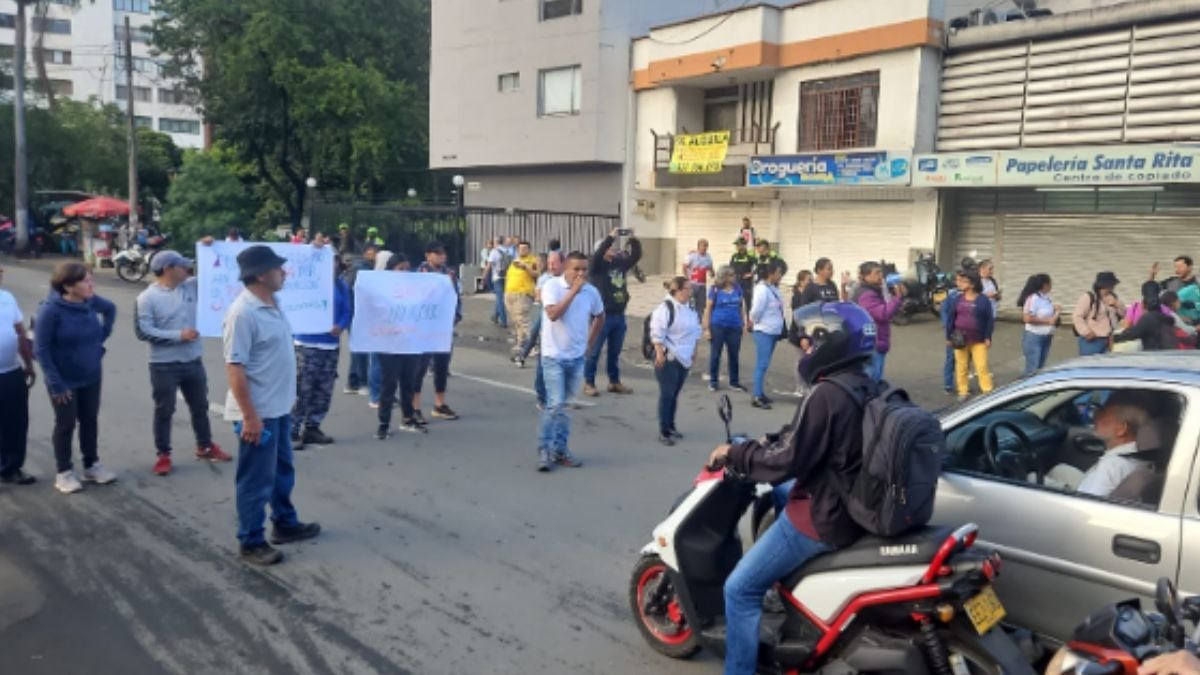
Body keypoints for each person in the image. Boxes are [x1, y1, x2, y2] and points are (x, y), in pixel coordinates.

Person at [706, 302, 877, 675]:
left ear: (826, 344)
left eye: (807, 344)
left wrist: (736, 453)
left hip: (823, 517)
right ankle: (786, 585)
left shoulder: (826, 394)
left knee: (739, 590)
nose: (804, 351)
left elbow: (784, 463)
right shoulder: (866, 383)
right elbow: (807, 438)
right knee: (779, 496)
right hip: (852, 502)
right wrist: (769, 438)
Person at [223, 245, 321, 566]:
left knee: (282, 471)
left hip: (277, 409)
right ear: (262, 274)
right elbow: (235, 368)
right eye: (279, 269)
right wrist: (250, 417)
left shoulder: (272, 303)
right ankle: (250, 541)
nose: (285, 272)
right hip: (258, 414)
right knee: (255, 479)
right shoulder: (243, 313)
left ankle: (285, 523)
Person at [137, 248, 232, 476]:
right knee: (165, 410)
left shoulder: (190, 287)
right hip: (163, 364)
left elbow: (217, 273)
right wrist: (179, 335)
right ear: (168, 269)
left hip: (192, 360)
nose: (187, 269)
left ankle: (205, 446)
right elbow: (144, 331)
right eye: (182, 266)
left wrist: (211, 247)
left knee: (200, 406)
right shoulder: (147, 298)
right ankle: (163, 454)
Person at [36, 262, 118, 494]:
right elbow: (41, 350)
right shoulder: (50, 310)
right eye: (86, 281)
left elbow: (110, 309)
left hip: (91, 374)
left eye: (91, 279)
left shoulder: (90, 301)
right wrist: (56, 382)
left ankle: (91, 465)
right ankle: (64, 472)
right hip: (63, 380)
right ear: (68, 286)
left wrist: (101, 338)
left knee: (89, 420)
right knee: (66, 424)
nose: (91, 284)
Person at [536, 251, 604, 472]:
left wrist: (589, 343)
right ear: (565, 267)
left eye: (584, 269)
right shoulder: (552, 287)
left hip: (576, 357)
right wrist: (573, 291)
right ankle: (544, 449)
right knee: (554, 404)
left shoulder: (591, 292)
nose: (581, 273)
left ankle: (560, 449)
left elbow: (600, 316)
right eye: (576, 269)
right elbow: (553, 314)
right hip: (553, 355)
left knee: (565, 407)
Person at [290, 261, 353, 448]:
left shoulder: (340, 284)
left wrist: (340, 326)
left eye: (333, 260)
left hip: (330, 344)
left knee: (324, 388)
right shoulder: (307, 282)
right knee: (303, 388)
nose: (331, 265)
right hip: (307, 343)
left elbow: (347, 310)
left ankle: (312, 427)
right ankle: (292, 430)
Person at [376, 254, 428, 438]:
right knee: (389, 385)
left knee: (409, 383)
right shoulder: (381, 291)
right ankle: (384, 423)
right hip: (389, 345)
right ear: (391, 270)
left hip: (410, 344)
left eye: (407, 269)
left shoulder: (416, 291)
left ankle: (408, 418)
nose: (405, 272)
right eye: (400, 269)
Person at [585, 228, 641, 397]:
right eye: (609, 248)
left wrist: (633, 239)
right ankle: (589, 382)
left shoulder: (619, 263)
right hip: (602, 316)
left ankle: (614, 381)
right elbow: (598, 254)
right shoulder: (596, 266)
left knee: (614, 352)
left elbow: (635, 256)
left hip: (619, 314)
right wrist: (610, 237)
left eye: (613, 247)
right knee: (594, 351)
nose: (613, 250)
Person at [651, 277, 702, 446]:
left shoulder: (690, 307)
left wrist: (694, 349)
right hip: (669, 356)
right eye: (687, 288)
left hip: (684, 357)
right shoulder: (665, 308)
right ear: (678, 290)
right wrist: (659, 353)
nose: (691, 291)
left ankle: (671, 425)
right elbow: (657, 332)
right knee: (667, 393)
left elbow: (696, 329)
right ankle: (663, 430)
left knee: (675, 393)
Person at [414, 242, 461, 422]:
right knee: (420, 367)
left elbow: (455, 295)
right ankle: (415, 406)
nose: (442, 256)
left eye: (443, 253)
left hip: (443, 326)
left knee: (442, 366)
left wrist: (456, 315)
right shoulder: (420, 274)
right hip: (424, 327)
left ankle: (439, 403)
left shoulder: (449, 274)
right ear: (428, 255)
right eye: (437, 253)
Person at [0, 263, 36, 485]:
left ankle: (11, 467)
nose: (1, 274)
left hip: (11, 372)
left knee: (16, 422)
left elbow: (20, 333)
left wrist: (28, 364)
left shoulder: (7, 298)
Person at [1075, 395, 1151, 497]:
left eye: (1103, 414)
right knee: (1060, 469)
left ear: (1121, 429)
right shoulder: (1142, 454)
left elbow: (1083, 503)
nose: (1095, 415)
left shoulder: (1111, 466)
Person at [944, 269, 995, 401]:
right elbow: (951, 318)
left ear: (972, 284)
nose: (959, 283)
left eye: (963, 281)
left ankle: (987, 391)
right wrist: (948, 337)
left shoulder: (983, 300)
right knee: (961, 366)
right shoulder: (956, 299)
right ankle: (963, 391)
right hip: (959, 338)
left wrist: (988, 337)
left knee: (982, 366)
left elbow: (989, 319)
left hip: (978, 340)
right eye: (959, 281)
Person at [853, 261, 905, 382]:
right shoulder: (867, 295)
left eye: (881, 272)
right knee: (872, 380)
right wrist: (897, 298)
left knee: (874, 377)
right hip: (872, 343)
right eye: (876, 273)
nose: (880, 276)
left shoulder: (874, 290)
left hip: (875, 342)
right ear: (866, 276)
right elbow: (883, 314)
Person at [703, 266, 748, 394]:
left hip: (734, 326)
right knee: (716, 354)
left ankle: (734, 381)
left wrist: (744, 322)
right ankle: (713, 381)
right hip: (718, 326)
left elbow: (741, 306)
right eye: (731, 275)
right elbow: (708, 309)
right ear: (725, 277)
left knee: (734, 355)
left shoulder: (737, 289)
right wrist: (706, 328)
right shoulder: (715, 290)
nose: (734, 277)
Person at [749, 260, 786, 409]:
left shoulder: (773, 288)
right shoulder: (762, 289)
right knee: (762, 364)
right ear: (771, 274)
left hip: (772, 331)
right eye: (778, 273)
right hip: (764, 330)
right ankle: (756, 395)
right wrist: (756, 322)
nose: (780, 275)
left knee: (764, 364)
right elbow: (756, 311)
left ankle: (760, 392)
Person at [343, 245, 377, 395]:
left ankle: (353, 382)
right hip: (357, 314)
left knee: (359, 348)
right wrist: (352, 312)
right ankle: (361, 382)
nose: (375, 255)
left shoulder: (367, 268)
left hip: (359, 313)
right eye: (372, 253)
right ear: (365, 254)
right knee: (361, 349)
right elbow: (349, 290)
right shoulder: (360, 269)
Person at [1072, 271, 1125, 356]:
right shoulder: (1089, 297)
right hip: (1093, 340)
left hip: (1109, 340)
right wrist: (1086, 332)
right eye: (1112, 284)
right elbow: (1077, 316)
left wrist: (1117, 304)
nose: (1113, 287)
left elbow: (1123, 314)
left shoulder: (1113, 297)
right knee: (1090, 365)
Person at [1114, 282, 1178, 352]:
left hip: (1151, 351)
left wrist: (1114, 338)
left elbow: (1132, 332)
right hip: (1168, 350)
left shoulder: (1146, 317)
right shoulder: (1166, 313)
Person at [1017, 274, 1060, 376]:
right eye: (1050, 283)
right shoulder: (1033, 298)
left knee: (1040, 367)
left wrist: (1055, 311)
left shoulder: (1046, 298)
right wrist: (1047, 321)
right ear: (1045, 285)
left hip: (1046, 336)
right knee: (1033, 367)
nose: (1051, 286)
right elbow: (1027, 318)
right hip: (1034, 336)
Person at [505, 241, 540, 358]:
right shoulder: (514, 261)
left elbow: (536, 274)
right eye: (520, 249)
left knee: (523, 319)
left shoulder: (533, 260)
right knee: (516, 320)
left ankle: (533, 345)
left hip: (523, 293)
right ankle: (521, 343)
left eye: (525, 248)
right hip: (510, 292)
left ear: (529, 250)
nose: (522, 251)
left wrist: (526, 267)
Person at [484, 236, 512, 328]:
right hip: (506, 277)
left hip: (497, 277)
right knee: (500, 297)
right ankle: (495, 316)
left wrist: (484, 277)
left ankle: (504, 321)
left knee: (500, 299)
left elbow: (489, 266)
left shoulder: (494, 252)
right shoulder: (507, 251)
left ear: (496, 242)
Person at [683, 239, 714, 315]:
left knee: (701, 305)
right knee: (691, 304)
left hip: (702, 285)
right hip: (692, 284)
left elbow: (710, 268)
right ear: (698, 246)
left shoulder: (708, 257)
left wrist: (712, 273)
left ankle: (699, 321)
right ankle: (690, 320)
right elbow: (684, 266)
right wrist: (687, 278)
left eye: (706, 246)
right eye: (703, 246)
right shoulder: (692, 256)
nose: (705, 248)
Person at [729, 238, 756, 313]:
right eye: (736, 245)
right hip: (735, 282)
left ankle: (748, 320)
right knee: (735, 302)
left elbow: (759, 266)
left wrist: (751, 273)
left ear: (744, 245)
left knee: (747, 303)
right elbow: (730, 268)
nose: (737, 247)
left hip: (746, 283)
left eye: (739, 245)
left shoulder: (750, 256)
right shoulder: (734, 256)